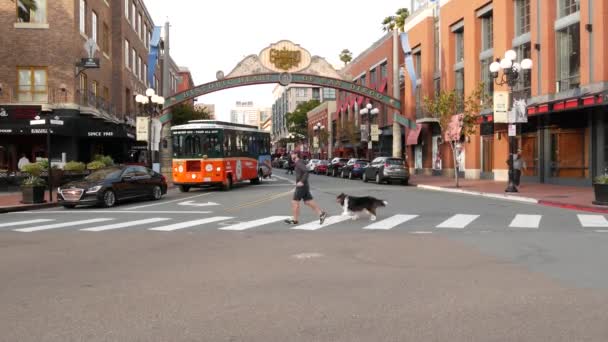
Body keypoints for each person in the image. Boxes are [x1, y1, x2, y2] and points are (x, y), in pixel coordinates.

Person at [284, 151, 327, 225]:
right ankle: (321, 214)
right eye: (290, 155)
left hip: (302, 186)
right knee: (308, 201)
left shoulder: (299, 163)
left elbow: (306, 172)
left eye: (292, 154)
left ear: (296, 155)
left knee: (294, 202)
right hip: (304, 186)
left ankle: (295, 220)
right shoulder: (298, 162)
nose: (291, 156)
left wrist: (301, 181)